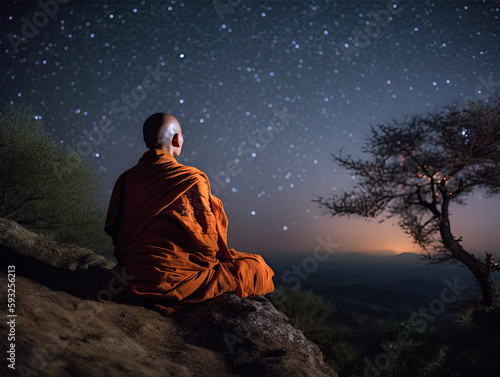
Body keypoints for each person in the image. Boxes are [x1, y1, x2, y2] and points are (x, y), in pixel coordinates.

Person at [102, 113, 275, 314]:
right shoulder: (191, 179)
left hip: (129, 277)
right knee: (256, 267)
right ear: (176, 139)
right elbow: (207, 246)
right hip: (173, 281)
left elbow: (116, 231)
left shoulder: (125, 179)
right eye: (182, 135)